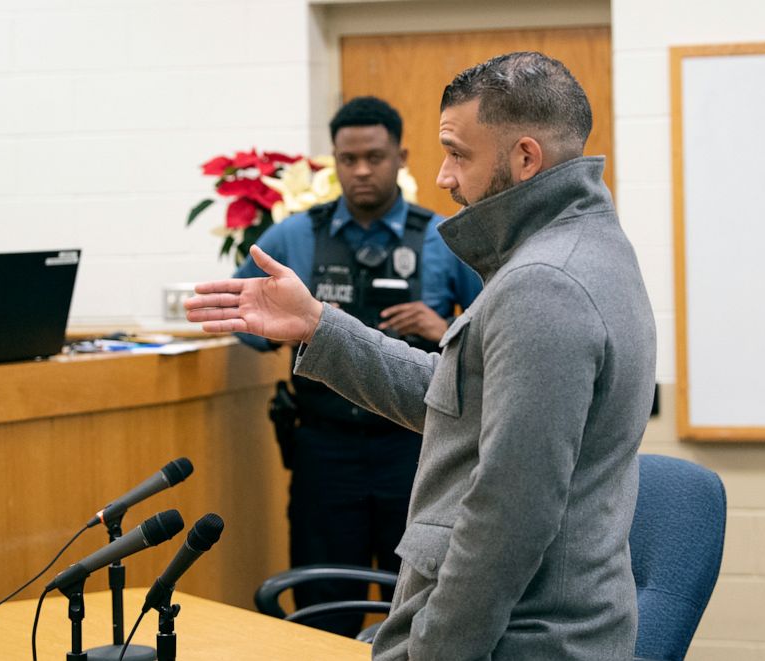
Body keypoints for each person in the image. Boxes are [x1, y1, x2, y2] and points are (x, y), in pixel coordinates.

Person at [187, 52, 656, 660]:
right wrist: (318, 326)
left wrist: (432, 652)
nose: (444, 176)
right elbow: (460, 397)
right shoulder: (586, 245)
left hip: (514, 641)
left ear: (525, 157)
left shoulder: (546, 283)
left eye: (459, 153)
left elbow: (509, 519)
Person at [231, 96, 482, 636]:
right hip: (325, 449)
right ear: (334, 162)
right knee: (323, 604)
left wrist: (443, 330)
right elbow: (239, 316)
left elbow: (497, 327)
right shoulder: (294, 236)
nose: (362, 170)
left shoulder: (443, 238)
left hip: (415, 448)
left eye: (375, 156)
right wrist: (284, 329)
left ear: (402, 157)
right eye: (349, 159)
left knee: (417, 597)